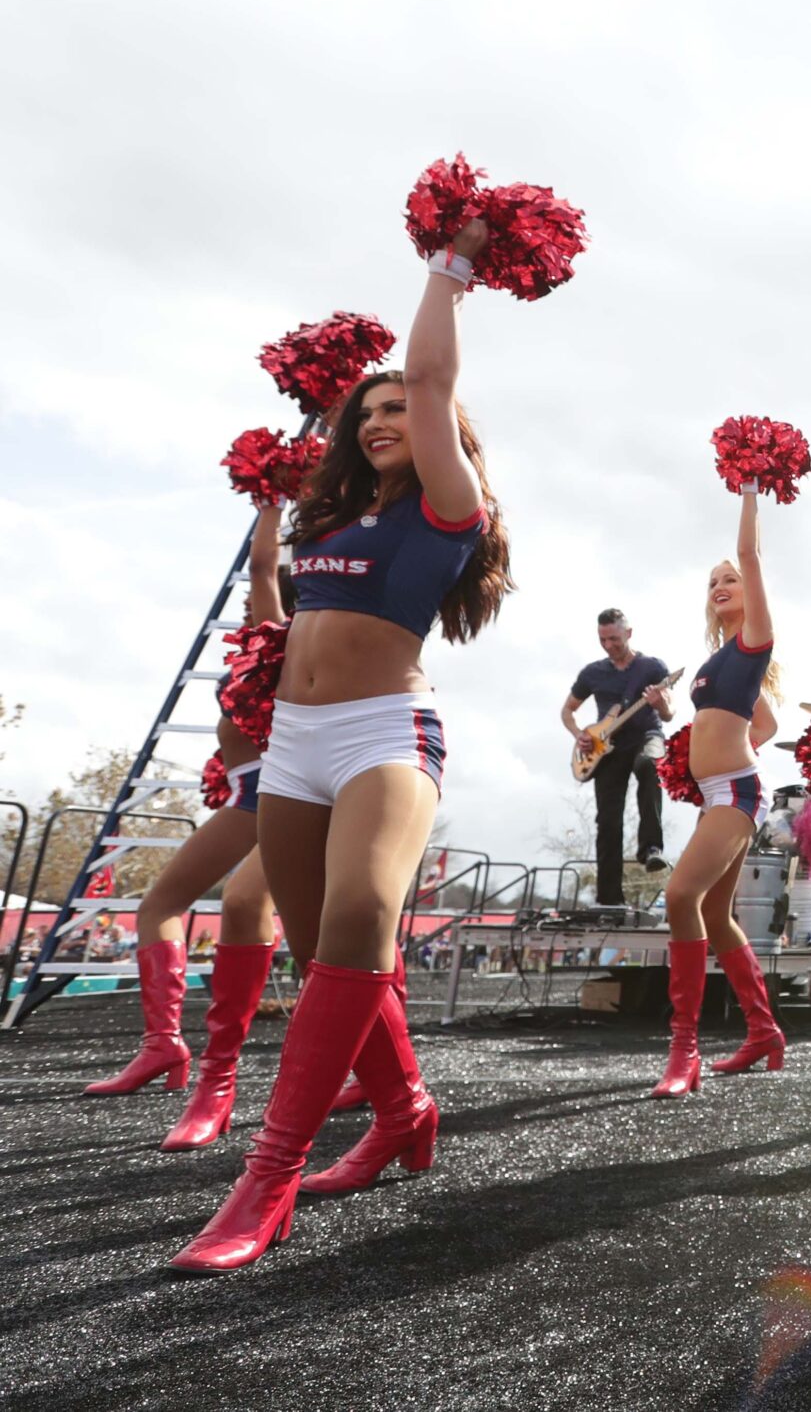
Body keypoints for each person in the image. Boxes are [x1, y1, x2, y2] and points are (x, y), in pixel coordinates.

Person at [173, 223, 513, 1271]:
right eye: (363, 414)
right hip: (294, 744)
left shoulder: (448, 511)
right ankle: (405, 1110)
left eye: (398, 410)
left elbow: (429, 369)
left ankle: (266, 1180)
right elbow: (274, 601)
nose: (380, 421)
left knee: (363, 916)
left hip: (385, 735)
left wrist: (446, 273)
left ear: (437, 427)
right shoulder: (333, 522)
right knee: (328, 954)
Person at [88, 501, 287, 1157]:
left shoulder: (294, 639)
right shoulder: (260, 647)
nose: (250, 615)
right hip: (249, 799)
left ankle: (222, 1081)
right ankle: (162, 1045)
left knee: (273, 916)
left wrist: (274, 501)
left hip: (298, 800)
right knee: (160, 904)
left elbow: (263, 566)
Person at [653, 490, 787, 1097]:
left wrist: (751, 492)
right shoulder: (716, 662)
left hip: (736, 791)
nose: (721, 583)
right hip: (713, 791)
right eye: (713, 581)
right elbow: (766, 725)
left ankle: (685, 1049)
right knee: (712, 912)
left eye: (729, 578)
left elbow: (749, 553)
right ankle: (763, 1031)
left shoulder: (756, 638)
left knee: (680, 896)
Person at [563, 608, 674, 909]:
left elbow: (669, 713)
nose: (609, 645)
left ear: (628, 633)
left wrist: (660, 703)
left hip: (646, 735)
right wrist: (579, 735)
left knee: (649, 765)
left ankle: (651, 847)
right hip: (606, 747)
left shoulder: (652, 667)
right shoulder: (592, 673)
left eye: (614, 638)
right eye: (603, 640)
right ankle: (609, 898)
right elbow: (567, 710)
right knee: (608, 821)